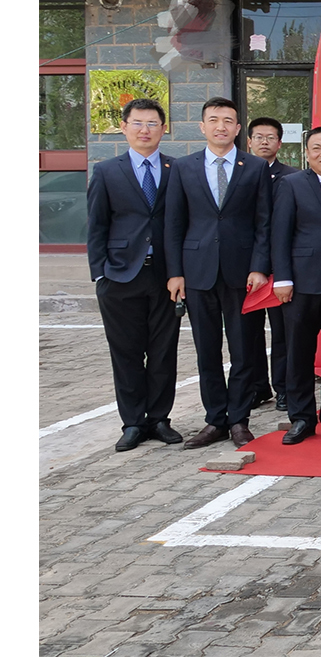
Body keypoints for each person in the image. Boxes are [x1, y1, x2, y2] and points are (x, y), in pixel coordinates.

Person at [165, 97, 271, 449]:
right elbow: (174, 223)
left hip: (243, 274)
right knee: (206, 351)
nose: (221, 126)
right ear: (202, 126)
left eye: (228, 120)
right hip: (197, 272)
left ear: (238, 128)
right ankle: (215, 420)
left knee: (243, 350)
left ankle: (239, 419)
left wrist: (259, 266)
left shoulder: (254, 167)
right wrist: (175, 272)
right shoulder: (183, 167)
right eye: (214, 120)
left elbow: (263, 222)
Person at [88, 98, 183, 452]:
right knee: (126, 353)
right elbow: (96, 226)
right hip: (119, 276)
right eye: (138, 123)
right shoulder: (106, 171)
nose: (145, 130)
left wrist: (180, 272)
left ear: (163, 129)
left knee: (163, 352)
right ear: (124, 127)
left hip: (165, 276)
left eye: (153, 123)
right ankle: (132, 422)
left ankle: (159, 419)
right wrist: (100, 274)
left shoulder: (176, 169)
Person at [270, 126, 321, 445]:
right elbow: (280, 233)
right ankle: (301, 418)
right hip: (302, 282)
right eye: (317, 148)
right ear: (307, 153)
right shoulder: (292, 184)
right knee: (298, 353)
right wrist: (282, 278)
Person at [246, 116, 296, 410]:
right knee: (248, 332)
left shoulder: (292, 177)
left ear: (279, 143)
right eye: (259, 137)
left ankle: (284, 388)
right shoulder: (240, 173)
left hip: (280, 268)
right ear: (249, 141)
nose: (264, 142)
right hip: (247, 266)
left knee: (282, 333)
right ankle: (257, 387)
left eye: (271, 138)